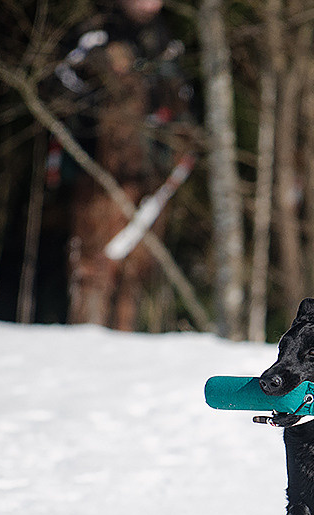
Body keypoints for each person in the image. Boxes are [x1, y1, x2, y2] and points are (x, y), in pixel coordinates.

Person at [53, 0, 196, 330]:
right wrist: (103, 71)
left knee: (136, 266)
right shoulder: (97, 31)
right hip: (96, 168)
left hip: (150, 173)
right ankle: (85, 332)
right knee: (92, 260)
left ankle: (125, 339)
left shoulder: (165, 40)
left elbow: (182, 99)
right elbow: (63, 79)